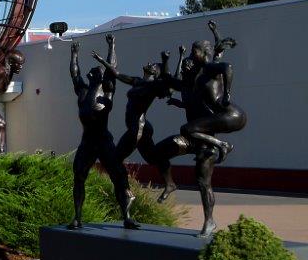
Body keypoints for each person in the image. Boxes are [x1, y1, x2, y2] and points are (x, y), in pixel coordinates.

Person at [153, 26, 247, 236]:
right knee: (161, 151)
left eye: (193, 53)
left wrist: (228, 95)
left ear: (201, 54)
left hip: (226, 122)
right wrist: (164, 62)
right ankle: (170, 184)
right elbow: (170, 80)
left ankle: (209, 221)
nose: (189, 59)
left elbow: (226, 64)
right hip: (198, 136)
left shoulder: (209, 71)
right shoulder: (190, 86)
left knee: (204, 182)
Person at [68, 34, 138, 230]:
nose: (92, 72)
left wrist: (112, 45)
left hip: (104, 141)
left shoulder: (107, 90)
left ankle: (127, 216)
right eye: (92, 71)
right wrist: (74, 55)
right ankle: (77, 217)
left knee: (118, 177)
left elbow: (111, 69)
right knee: (79, 177)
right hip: (87, 142)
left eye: (96, 71)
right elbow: (75, 74)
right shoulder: (82, 92)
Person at [91, 49, 174, 188]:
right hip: (139, 127)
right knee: (152, 158)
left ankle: (124, 189)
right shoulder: (138, 81)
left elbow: (167, 80)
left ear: (155, 72)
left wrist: (165, 61)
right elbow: (117, 74)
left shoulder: (153, 86)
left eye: (152, 65)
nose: (148, 63)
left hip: (138, 128)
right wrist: (102, 61)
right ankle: (169, 183)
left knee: (116, 159)